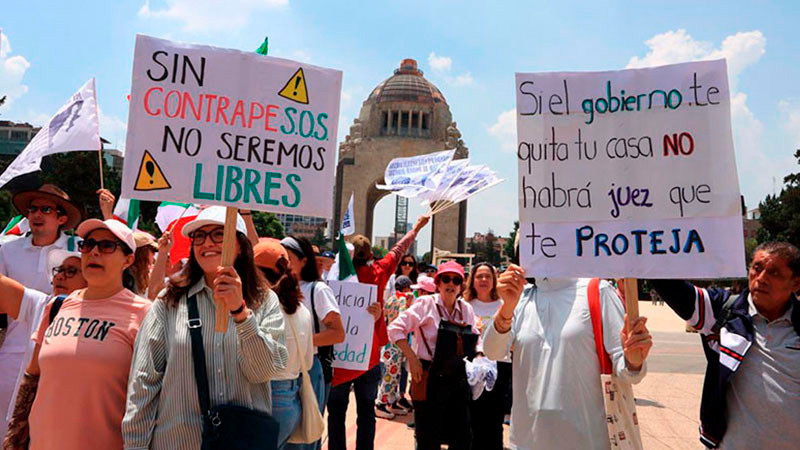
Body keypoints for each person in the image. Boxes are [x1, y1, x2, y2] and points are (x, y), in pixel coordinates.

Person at [122, 207, 288, 449]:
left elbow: (263, 371)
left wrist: (240, 314)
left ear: (240, 245)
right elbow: (144, 381)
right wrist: (135, 445)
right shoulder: (169, 300)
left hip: (240, 441)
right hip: (178, 442)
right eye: (199, 236)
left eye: (219, 234)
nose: (206, 242)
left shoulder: (264, 301)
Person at [3, 219, 150, 450]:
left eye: (107, 246)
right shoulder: (57, 307)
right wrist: (15, 440)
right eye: (88, 244)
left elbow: (150, 399)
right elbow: (32, 381)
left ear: (128, 259)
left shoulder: (145, 315)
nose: (94, 252)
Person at [648, 241, 800, 449]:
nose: (761, 278)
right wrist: (647, 247)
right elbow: (670, 287)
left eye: (774, 273)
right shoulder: (724, 311)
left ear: (796, 283)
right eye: (757, 268)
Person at [483, 265, 653, 450]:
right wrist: (507, 308)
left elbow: (628, 371)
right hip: (527, 441)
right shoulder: (522, 298)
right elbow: (493, 352)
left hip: (588, 440)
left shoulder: (598, 291)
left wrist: (634, 359)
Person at [327, 215, 429, 450]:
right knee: (366, 412)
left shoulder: (333, 276)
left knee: (336, 414)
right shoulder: (379, 272)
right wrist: (415, 228)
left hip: (339, 359)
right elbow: (398, 249)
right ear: (371, 255)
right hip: (369, 355)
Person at [0, 184, 82, 438]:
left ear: (61, 218)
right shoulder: (8, 250)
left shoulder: (80, 250)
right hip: (13, 353)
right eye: (32, 209)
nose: (36, 214)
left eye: (45, 209)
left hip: (63, 353)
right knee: (6, 429)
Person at [387, 262, 479, 449]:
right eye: (446, 278)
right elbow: (395, 329)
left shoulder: (466, 309)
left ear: (461, 285)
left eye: (456, 280)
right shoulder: (425, 304)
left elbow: (476, 338)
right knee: (428, 439)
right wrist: (412, 359)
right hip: (429, 378)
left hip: (458, 380)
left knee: (462, 438)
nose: (450, 283)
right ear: (438, 283)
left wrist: (480, 357)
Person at [281, 235, 344, 450]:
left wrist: (300, 342)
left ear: (303, 260)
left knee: (305, 434)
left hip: (307, 369)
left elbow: (337, 333)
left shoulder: (317, 290)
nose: (282, 264)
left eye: (287, 258)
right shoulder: (278, 288)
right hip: (281, 368)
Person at [255, 239, 315, 450]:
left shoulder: (254, 309)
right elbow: (307, 363)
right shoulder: (302, 312)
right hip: (290, 402)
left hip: (261, 399)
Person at [463, 262, 509, 450]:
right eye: (479, 276)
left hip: (501, 366)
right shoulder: (464, 306)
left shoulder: (504, 305)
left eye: (488, 276)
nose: (483, 280)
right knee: (471, 419)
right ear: (472, 280)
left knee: (494, 420)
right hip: (472, 369)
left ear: (494, 280)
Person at [375, 275, 415, 419]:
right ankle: (381, 403)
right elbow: (404, 318)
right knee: (390, 375)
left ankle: (391, 401)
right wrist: (410, 305)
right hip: (397, 343)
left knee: (394, 373)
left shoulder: (391, 298)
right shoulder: (403, 299)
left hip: (389, 341)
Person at [129, 231, 157, 296]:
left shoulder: (143, 273)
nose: (154, 254)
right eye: (153, 250)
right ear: (142, 253)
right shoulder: (129, 275)